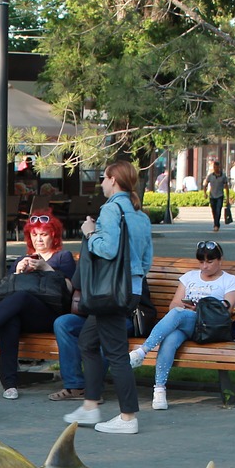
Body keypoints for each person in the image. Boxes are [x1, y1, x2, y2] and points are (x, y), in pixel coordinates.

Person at [63, 161, 153, 436]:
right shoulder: (140, 214)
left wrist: (90, 233)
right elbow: (147, 259)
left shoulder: (111, 209)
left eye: (103, 178)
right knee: (88, 342)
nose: (101, 183)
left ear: (113, 180)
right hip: (131, 289)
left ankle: (128, 417)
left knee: (116, 354)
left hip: (111, 292)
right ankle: (91, 404)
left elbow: (108, 249)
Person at [0, 211, 75, 400]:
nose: (39, 240)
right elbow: (3, 296)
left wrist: (46, 268)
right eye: (35, 235)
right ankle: (10, 385)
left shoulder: (62, 257)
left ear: (54, 235)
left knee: (22, 297)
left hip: (50, 316)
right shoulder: (21, 260)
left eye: (44, 235)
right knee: (10, 319)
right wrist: (17, 273)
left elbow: (69, 289)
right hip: (24, 316)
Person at [128, 240, 235, 411]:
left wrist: (199, 309)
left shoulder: (230, 281)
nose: (205, 266)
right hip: (186, 324)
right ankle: (159, 390)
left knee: (178, 315)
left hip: (210, 327)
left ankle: (142, 352)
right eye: (201, 262)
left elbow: (225, 310)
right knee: (171, 338)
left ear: (220, 260)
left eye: (210, 262)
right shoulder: (189, 277)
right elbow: (173, 305)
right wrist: (185, 307)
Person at [203, 161, 228, 232]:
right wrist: (205, 193)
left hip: (220, 195)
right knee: (214, 211)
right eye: (214, 167)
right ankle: (216, 222)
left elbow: (226, 187)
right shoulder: (210, 176)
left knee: (218, 210)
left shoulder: (223, 176)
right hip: (212, 196)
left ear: (219, 167)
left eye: (217, 167)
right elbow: (205, 185)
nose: (216, 168)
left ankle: (216, 225)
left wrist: (228, 198)